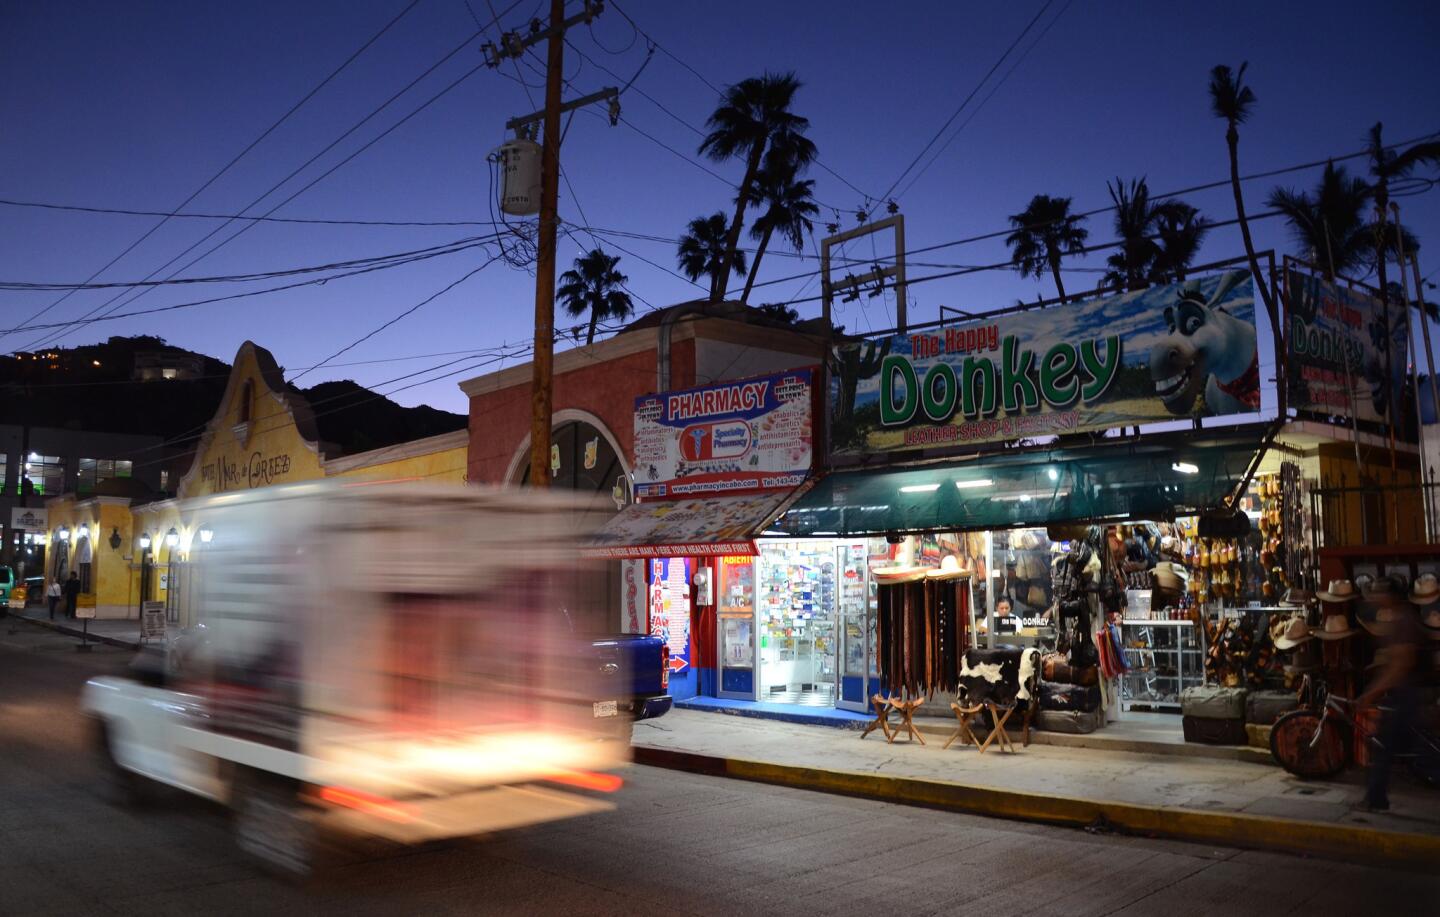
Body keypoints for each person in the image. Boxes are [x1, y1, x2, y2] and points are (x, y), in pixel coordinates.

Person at [1355, 575, 1421, 812]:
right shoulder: (1396, 618)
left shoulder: (1403, 621)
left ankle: (1376, 799)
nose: (1374, 597)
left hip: (1403, 692)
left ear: (1390, 596)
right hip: (1398, 691)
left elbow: (1400, 665)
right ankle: (1376, 797)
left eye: (1378, 592)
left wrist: (1373, 692)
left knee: (1385, 747)